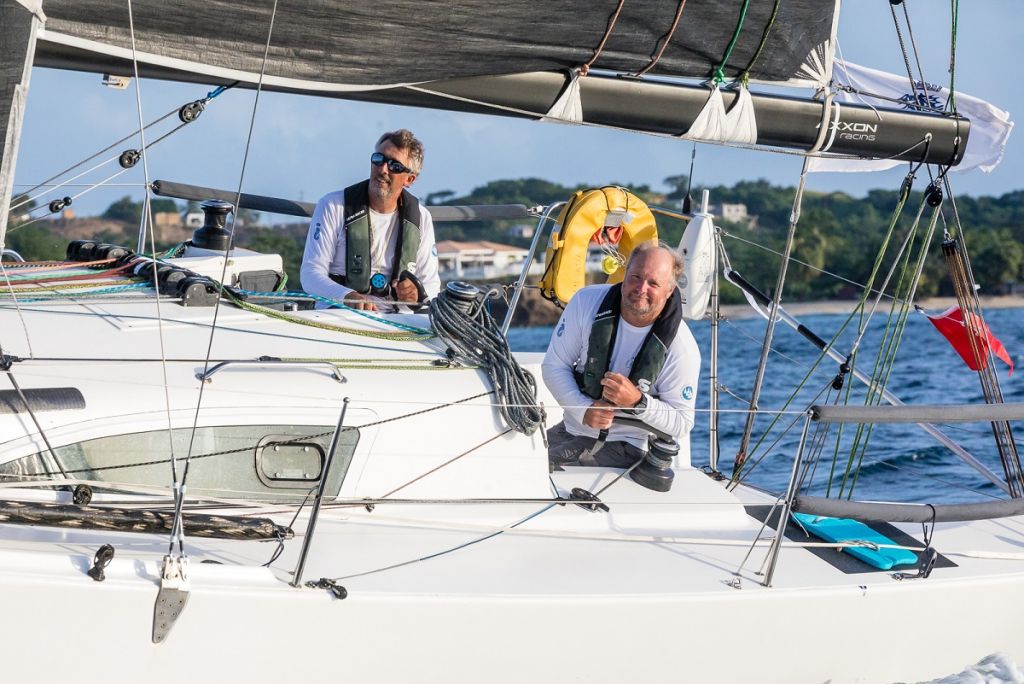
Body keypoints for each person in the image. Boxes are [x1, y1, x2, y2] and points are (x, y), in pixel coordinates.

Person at [541, 241, 700, 468]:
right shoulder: (586, 302)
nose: (641, 288)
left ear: (669, 290)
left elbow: (682, 422)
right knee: (513, 460)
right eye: (636, 277)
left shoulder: (682, 346)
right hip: (570, 429)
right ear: (625, 275)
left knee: (536, 470)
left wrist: (638, 401)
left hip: (627, 446)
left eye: (653, 283)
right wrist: (583, 410)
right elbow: (554, 365)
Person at [301, 129, 440, 311]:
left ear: (410, 179)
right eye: (378, 159)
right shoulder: (333, 206)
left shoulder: (421, 218)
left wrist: (418, 293)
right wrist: (347, 296)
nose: (383, 169)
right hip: (339, 314)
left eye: (394, 166)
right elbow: (310, 274)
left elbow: (431, 283)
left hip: (400, 320)